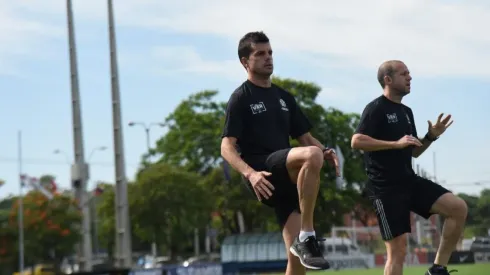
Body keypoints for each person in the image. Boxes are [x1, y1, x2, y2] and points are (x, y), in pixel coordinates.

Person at [220, 31, 340, 274]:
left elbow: (306, 138)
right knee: (310, 155)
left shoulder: (284, 97)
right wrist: (250, 174)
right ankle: (308, 235)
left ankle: (303, 243)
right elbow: (226, 147)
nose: (268, 58)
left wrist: (323, 150)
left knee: (297, 263)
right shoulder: (241, 98)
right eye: (260, 54)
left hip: (288, 179)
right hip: (264, 172)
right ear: (245, 62)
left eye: (270, 52)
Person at [351, 60, 468, 275]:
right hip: (385, 189)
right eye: (404, 73)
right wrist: (395, 144)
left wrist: (431, 136)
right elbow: (356, 141)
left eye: (409, 73)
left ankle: (437, 269)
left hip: (409, 181)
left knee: (457, 207)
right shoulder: (375, 108)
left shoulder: (406, 111)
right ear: (388, 79)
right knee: (398, 252)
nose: (410, 77)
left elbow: (414, 150)